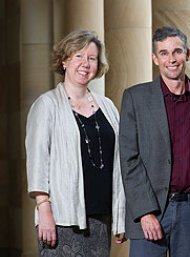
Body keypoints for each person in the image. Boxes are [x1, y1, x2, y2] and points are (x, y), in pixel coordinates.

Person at [119, 26, 190, 257]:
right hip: (150, 212)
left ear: (187, 54)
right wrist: (145, 212)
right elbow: (129, 159)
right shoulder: (134, 98)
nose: (171, 59)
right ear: (155, 58)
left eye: (177, 51)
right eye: (164, 53)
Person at [25, 30, 126, 257]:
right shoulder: (46, 105)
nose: (85, 63)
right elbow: (38, 161)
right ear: (64, 60)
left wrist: (121, 215)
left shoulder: (108, 107)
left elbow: (119, 163)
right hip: (61, 219)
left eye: (91, 58)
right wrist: (44, 209)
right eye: (78, 56)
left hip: (100, 219)